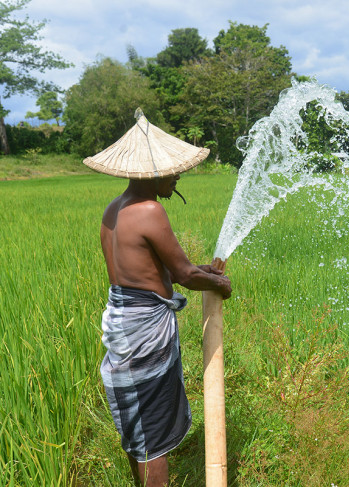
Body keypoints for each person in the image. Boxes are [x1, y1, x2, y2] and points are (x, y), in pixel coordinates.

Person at [85, 109, 230, 486]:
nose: (178, 175)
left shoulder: (113, 209)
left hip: (123, 324)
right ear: (153, 172)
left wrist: (201, 270)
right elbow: (182, 275)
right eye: (173, 170)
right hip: (144, 334)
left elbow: (144, 273)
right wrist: (218, 284)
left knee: (139, 429)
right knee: (154, 437)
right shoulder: (150, 210)